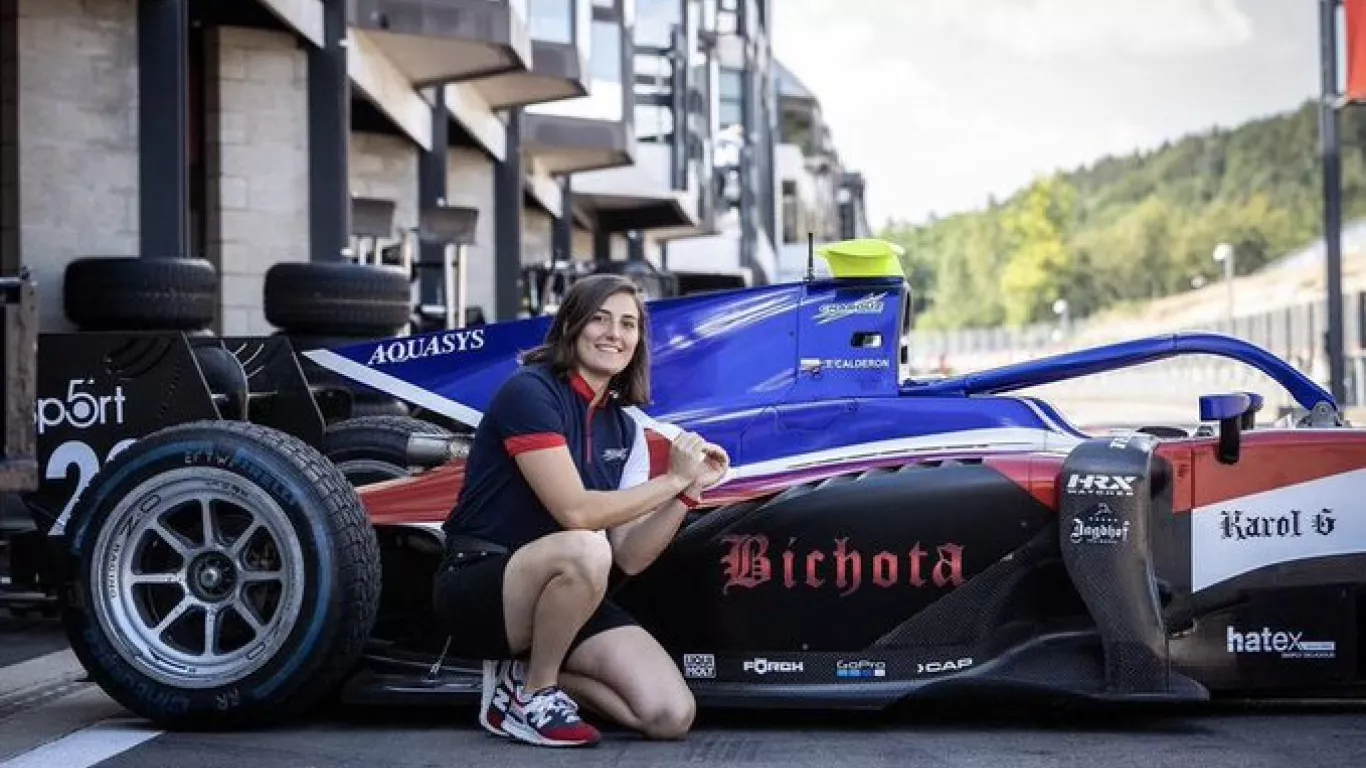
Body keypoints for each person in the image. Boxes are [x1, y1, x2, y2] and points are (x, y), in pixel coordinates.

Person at [432, 273, 730, 748]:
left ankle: (518, 681)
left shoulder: (625, 428)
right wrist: (670, 479)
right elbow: (576, 512)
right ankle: (536, 695)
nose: (614, 333)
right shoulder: (529, 392)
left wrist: (687, 492)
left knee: (669, 715)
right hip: (482, 582)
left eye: (628, 324)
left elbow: (630, 555)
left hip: (571, 593)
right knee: (587, 548)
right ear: (571, 325)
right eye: (600, 319)